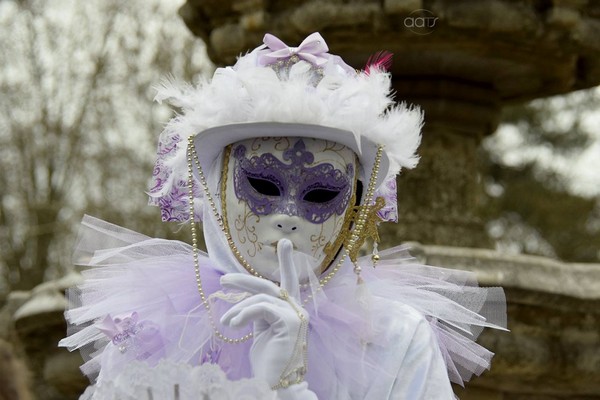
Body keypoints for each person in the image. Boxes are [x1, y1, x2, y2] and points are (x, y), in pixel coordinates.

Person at [60, 32, 507, 399]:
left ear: (353, 207)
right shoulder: (153, 327)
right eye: (262, 185)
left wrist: (287, 387)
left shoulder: (392, 336)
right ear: (215, 189)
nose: (288, 215)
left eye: (320, 193)